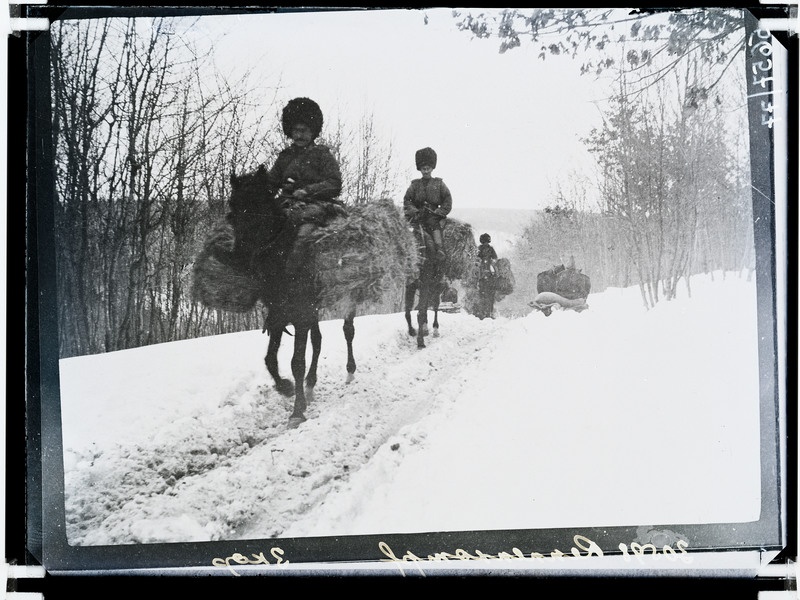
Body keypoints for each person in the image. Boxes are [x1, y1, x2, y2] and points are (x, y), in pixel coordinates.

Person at [265, 97, 344, 272]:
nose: (299, 135)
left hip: (314, 207)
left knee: (303, 238)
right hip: (285, 205)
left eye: (304, 130)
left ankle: (289, 279)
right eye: (295, 130)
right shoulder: (284, 157)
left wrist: (308, 191)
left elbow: (334, 183)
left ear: (313, 131)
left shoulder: (322, 155)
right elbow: (271, 184)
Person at [403, 147, 452, 263]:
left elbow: (447, 199)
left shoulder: (439, 184)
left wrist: (440, 212)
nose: (425, 171)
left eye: (428, 168)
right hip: (417, 215)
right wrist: (414, 211)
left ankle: (439, 249)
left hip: (433, 215)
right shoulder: (414, 185)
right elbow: (407, 200)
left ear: (432, 168)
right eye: (423, 169)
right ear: (419, 169)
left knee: (433, 225)